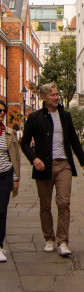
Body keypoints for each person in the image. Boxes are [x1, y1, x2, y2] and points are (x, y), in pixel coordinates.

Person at [21, 82, 84, 257]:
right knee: (45, 205)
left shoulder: (65, 116)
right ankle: (49, 239)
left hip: (63, 165)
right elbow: (24, 143)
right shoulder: (35, 118)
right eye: (53, 95)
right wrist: (34, 158)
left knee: (63, 203)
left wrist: (83, 162)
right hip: (44, 167)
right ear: (44, 97)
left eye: (57, 94)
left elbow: (73, 140)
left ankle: (63, 241)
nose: (56, 97)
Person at [0, 101, 20, 262]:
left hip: (5, 174)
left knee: (2, 212)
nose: (1, 113)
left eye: (3, 111)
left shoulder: (9, 133)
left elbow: (15, 158)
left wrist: (15, 177)